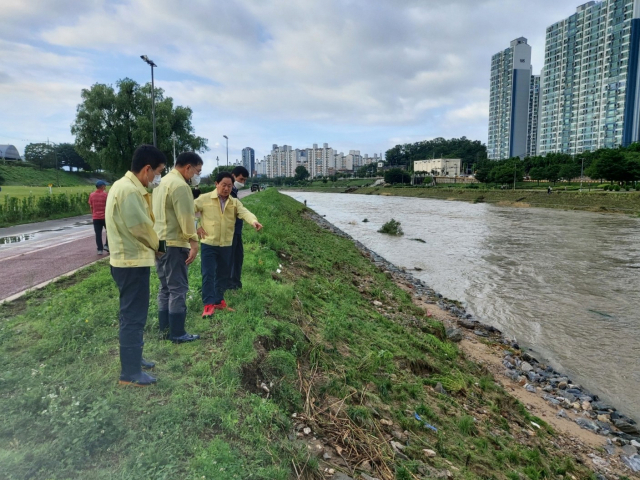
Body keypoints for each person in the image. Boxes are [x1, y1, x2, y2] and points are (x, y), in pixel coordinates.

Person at [105, 145, 166, 386]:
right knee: (133, 316)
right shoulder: (129, 191)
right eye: (159, 172)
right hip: (130, 263)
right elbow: (141, 228)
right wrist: (161, 248)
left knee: (134, 314)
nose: (158, 177)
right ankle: (129, 374)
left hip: (129, 260)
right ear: (147, 169)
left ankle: (135, 357)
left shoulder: (128, 187)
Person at [196, 171, 262, 317]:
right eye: (224, 185)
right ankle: (208, 304)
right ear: (216, 184)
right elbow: (188, 211)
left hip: (226, 244)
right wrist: (197, 226)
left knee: (223, 274)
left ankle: (219, 301)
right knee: (208, 273)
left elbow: (245, 212)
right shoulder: (205, 199)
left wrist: (254, 221)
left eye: (229, 186)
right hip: (209, 243)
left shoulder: (234, 202)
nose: (226, 189)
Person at [153, 152, 202, 343]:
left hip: (160, 241)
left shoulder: (161, 182)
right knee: (178, 288)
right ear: (187, 167)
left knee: (165, 287)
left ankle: (165, 329)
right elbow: (186, 217)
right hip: (174, 242)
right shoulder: (180, 185)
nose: (197, 175)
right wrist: (194, 242)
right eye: (197, 171)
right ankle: (178, 332)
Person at [229, 166, 250, 290]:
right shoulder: (229, 192)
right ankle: (232, 284)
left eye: (245, 180)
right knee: (233, 259)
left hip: (236, 230)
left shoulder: (234, 192)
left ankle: (235, 283)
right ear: (233, 176)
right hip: (231, 231)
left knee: (238, 257)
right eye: (241, 179)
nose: (243, 182)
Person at [88, 180, 109, 254]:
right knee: (109, 232)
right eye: (104, 186)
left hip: (96, 217)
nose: (105, 187)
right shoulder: (106, 195)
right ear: (102, 186)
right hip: (105, 217)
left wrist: (93, 214)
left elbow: (91, 206)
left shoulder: (92, 195)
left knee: (98, 234)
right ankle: (107, 245)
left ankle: (99, 249)